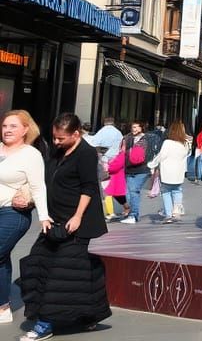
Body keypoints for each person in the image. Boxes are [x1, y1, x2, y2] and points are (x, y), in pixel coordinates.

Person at [16, 112, 111, 339]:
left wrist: (77, 216)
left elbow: (89, 187)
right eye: (54, 137)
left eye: (61, 138)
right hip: (54, 220)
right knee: (40, 263)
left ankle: (45, 323)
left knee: (61, 273)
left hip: (77, 223)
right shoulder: (57, 151)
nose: (56, 142)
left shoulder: (86, 153)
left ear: (76, 134)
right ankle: (90, 313)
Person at [1, 110, 51, 327]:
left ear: (25, 130)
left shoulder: (31, 155)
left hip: (13, 214)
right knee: (1, 258)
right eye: (4, 126)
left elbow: (39, 187)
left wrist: (44, 216)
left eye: (13, 126)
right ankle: (3, 307)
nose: (7, 130)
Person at [149, 120, 189, 223]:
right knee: (177, 191)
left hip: (167, 172)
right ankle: (177, 212)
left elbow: (161, 156)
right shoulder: (185, 144)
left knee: (166, 192)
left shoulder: (167, 143)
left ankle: (168, 214)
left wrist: (152, 164)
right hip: (179, 173)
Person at [121, 121, 152, 224]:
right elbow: (122, 151)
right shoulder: (127, 138)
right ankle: (131, 212)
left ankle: (133, 215)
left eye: (136, 127)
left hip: (142, 169)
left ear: (141, 128)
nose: (134, 129)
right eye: (132, 127)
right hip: (129, 168)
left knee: (134, 191)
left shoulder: (147, 139)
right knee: (128, 192)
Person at [102, 137, 129, 221]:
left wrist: (107, 167)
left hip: (116, 177)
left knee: (108, 193)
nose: (122, 146)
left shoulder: (122, 154)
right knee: (117, 195)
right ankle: (126, 208)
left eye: (124, 144)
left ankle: (111, 213)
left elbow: (116, 165)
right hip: (116, 177)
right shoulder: (122, 153)